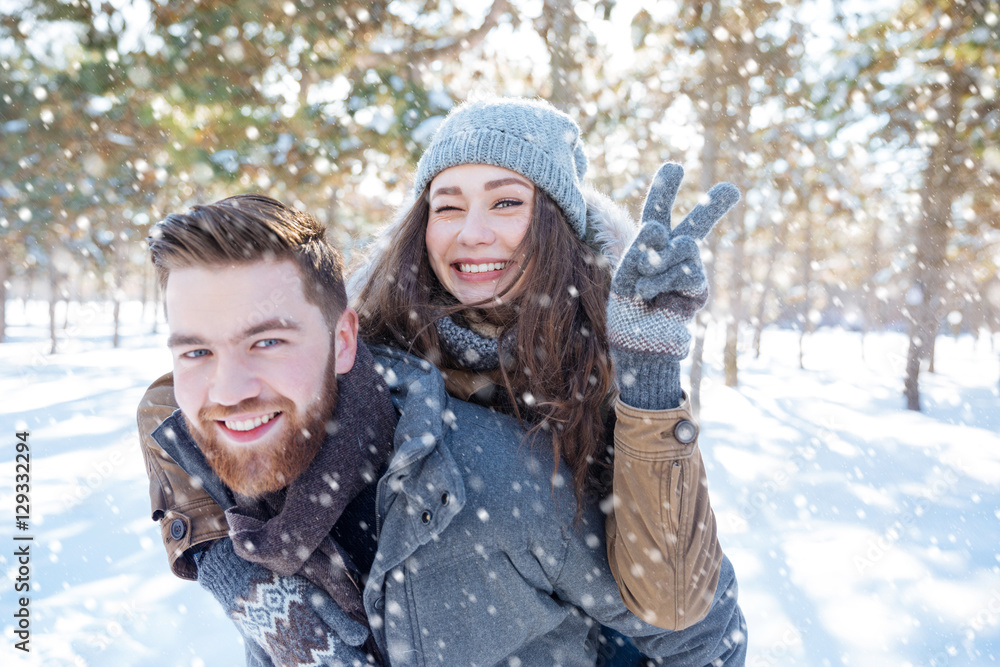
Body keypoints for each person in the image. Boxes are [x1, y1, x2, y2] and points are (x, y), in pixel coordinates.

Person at [138, 97, 747, 664]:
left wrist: (648, 377)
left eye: (506, 203)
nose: (471, 232)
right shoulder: (377, 327)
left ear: (558, 221)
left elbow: (678, 605)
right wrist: (246, 583)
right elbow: (178, 404)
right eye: (447, 205)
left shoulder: (605, 365)